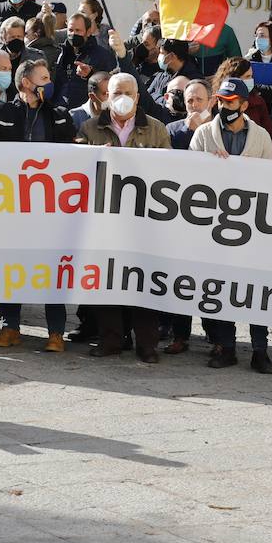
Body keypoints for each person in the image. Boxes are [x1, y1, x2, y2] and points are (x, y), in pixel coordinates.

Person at [81, 73, 170, 361]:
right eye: (116, 92)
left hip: (144, 220)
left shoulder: (156, 129)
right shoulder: (90, 128)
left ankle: (147, 344)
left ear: (138, 96)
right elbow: (77, 170)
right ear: (106, 96)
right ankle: (111, 340)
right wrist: (93, 155)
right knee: (107, 281)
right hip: (104, 220)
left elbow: (170, 173)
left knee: (142, 281)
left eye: (128, 92)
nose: (122, 97)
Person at [189, 78, 272, 371]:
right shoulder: (204, 134)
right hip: (216, 222)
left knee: (256, 286)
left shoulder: (261, 136)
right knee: (221, 285)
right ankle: (225, 346)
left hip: (253, 222)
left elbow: (271, 180)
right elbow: (189, 177)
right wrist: (208, 164)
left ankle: (260, 349)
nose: (225, 106)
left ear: (243, 104)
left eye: (231, 101)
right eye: (222, 100)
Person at [0, 59, 73, 352]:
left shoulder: (59, 115)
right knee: (13, 266)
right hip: (11, 205)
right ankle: (10, 327)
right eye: (44, 77)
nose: (49, 82)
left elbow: (75, 154)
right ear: (26, 82)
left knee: (53, 268)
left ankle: (56, 332)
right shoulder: (0, 113)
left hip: (51, 207)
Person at [55, 13, 118, 110]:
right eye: (70, 30)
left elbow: (111, 84)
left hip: (86, 113)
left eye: (78, 30)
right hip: (60, 111)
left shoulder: (103, 56)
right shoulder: (61, 53)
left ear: (88, 32)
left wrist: (90, 74)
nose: (73, 34)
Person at [212, 56, 272, 138]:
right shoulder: (217, 102)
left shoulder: (258, 102)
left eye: (251, 76)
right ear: (235, 78)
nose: (251, 80)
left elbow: (269, 133)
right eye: (247, 77)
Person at [148, 40, 201, 112]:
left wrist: (157, 97)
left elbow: (175, 104)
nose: (159, 56)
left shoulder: (194, 80)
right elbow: (148, 94)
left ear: (172, 56)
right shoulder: (163, 74)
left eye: (161, 53)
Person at [165, 79, 212, 151]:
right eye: (190, 101)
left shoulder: (221, 126)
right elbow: (172, 155)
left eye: (199, 99)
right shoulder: (172, 129)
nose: (194, 105)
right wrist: (188, 130)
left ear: (210, 101)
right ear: (185, 103)